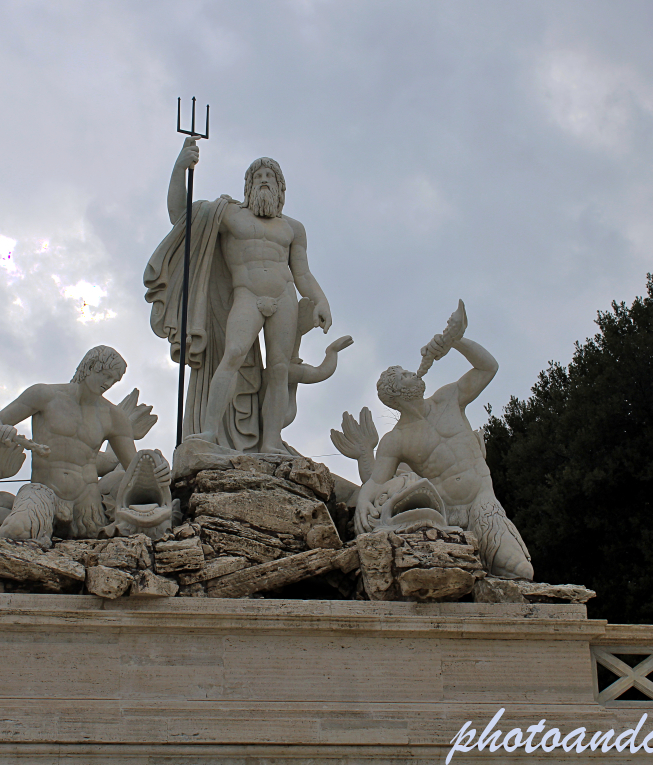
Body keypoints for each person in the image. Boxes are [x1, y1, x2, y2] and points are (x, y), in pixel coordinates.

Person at [144, 138, 333, 453]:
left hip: (284, 297)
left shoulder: (293, 228)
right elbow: (181, 216)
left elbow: (302, 274)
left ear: (280, 187)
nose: (263, 180)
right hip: (247, 295)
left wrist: (321, 301)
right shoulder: (229, 214)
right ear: (248, 185)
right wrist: (180, 168)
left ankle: (271, 441)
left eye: (270, 176)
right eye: (257, 176)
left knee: (279, 368)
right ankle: (209, 431)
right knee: (232, 355)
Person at [354, 334, 534, 580]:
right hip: (445, 517)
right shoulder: (395, 440)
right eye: (404, 375)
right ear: (395, 393)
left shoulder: (449, 398)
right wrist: (363, 502)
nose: (412, 373)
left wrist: (455, 341)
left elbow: (488, 368)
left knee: (519, 570)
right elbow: (376, 481)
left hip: (482, 503)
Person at [0, 345, 163, 541]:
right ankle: (20, 516)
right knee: (15, 530)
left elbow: (134, 469)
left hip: (88, 505)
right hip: (44, 494)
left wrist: (157, 472)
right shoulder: (44, 395)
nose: (108, 383)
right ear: (90, 366)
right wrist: (0, 431)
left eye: (114, 380)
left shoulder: (114, 417)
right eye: (106, 375)